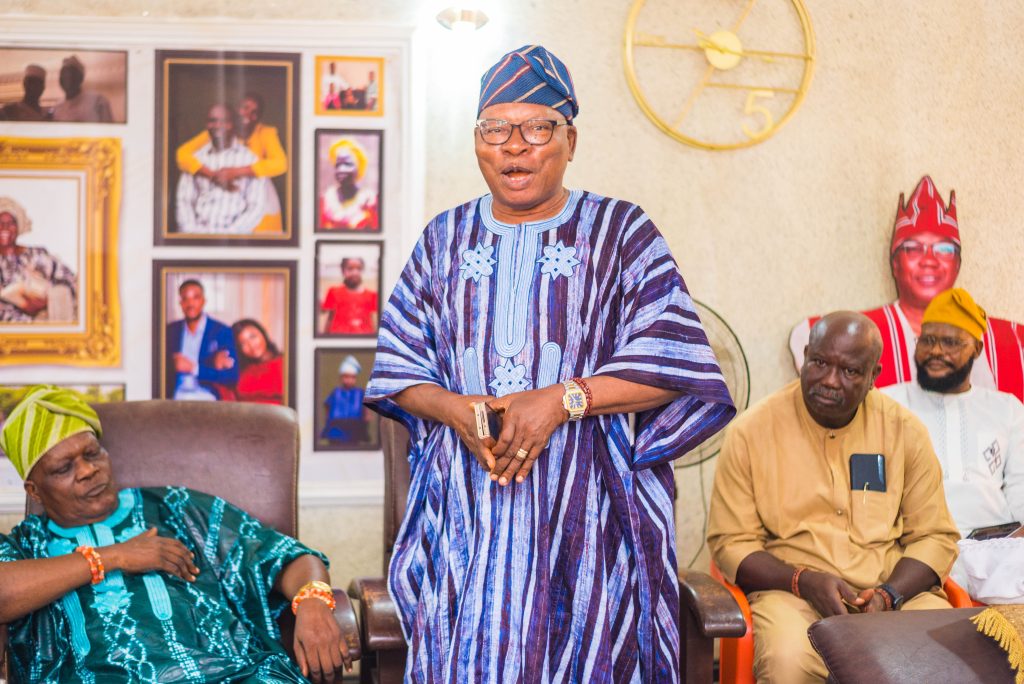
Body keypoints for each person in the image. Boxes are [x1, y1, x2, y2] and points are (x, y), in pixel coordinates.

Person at [364, 45, 735, 681]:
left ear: (570, 141)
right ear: (477, 142)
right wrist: (455, 409)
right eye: (495, 129)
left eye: (537, 128)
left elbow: (674, 360)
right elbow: (398, 369)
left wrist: (562, 401)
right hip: (469, 514)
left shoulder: (622, 234)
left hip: (591, 517)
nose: (514, 146)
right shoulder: (441, 240)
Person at [0, 386, 351, 682]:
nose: (88, 470)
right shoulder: (27, 546)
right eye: (64, 468)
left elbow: (285, 555)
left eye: (92, 453)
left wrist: (313, 601)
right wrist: (115, 556)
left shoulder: (177, 507)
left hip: (228, 674)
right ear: (34, 490)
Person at [708, 311, 960, 683]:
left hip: (893, 590)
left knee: (946, 651)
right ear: (805, 356)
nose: (829, 380)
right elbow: (731, 543)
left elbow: (935, 535)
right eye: (820, 363)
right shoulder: (751, 433)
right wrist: (802, 580)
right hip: (792, 594)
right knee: (788, 661)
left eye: (850, 371)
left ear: (874, 376)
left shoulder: (904, 432)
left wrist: (888, 594)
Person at [790, 175, 1024, 401]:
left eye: (944, 250)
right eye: (913, 248)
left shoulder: (1014, 340)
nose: (929, 260)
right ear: (895, 263)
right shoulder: (841, 335)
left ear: (958, 263)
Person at [882, 289, 1024, 583]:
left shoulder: (1007, 409)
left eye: (950, 342)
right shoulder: (886, 404)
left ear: (977, 349)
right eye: (927, 340)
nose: (936, 351)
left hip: (996, 553)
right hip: (914, 552)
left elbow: (1020, 487)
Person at [176, 93, 284, 233]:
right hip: (216, 203)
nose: (249, 114)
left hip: (257, 189)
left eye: (255, 112)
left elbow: (280, 164)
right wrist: (213, 176)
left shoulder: (266, 133)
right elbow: (182, 155)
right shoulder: (216, 130)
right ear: (236, 109)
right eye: (245, 108)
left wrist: (234, 172)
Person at [0, 197, 77, 323]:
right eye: (0, 222)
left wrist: (47, 301)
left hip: (38, 328)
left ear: (19, 227)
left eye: (11, 223)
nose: (5, 227)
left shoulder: (36, 256)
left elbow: (70, 280)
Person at [164, 279, 239, 401]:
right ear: (180, 303)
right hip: (175, 399)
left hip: (208, 399)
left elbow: (232, 377)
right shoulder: (170, 330)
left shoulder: (221, 331)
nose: (190, 304)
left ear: (204, 301)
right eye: (185, 299)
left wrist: (195, 368)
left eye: (196, 297)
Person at [319, 138, 379, 230]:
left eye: (347, 164)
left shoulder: (369, 202)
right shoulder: (325, 202)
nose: (341, 169)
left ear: (359, 167)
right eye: (338, 165)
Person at [232, 318, 285, 405]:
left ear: (263, 334)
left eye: (253, 337)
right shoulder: (242, 371)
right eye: (243, 343)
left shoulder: (285, 363)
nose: (251, 345)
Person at [320, 257, 378, 334]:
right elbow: (329, 319)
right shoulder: (333, 292)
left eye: (359, 269)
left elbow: (372, 320)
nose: (355, 272)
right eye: (350, 268)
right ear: (343, 270)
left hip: (363, 338)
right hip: (338, 338)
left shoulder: (371, 295)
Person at [321, 355, 370, 444]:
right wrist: (328, 420)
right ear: (341, 377)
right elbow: (327, 406)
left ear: (355, 378)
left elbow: (365, 408)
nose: (349, 380)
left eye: (352, 377)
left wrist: (366, 417)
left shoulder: (359, 393)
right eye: (346, 377)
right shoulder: (336, 392)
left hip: (354, 429)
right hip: (336, 430)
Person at [50, 55, 113, 123]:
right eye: (63, 74)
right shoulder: (58, 107)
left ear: (81, 78)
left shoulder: (97, 101)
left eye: (72, 74)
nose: (67, 77)